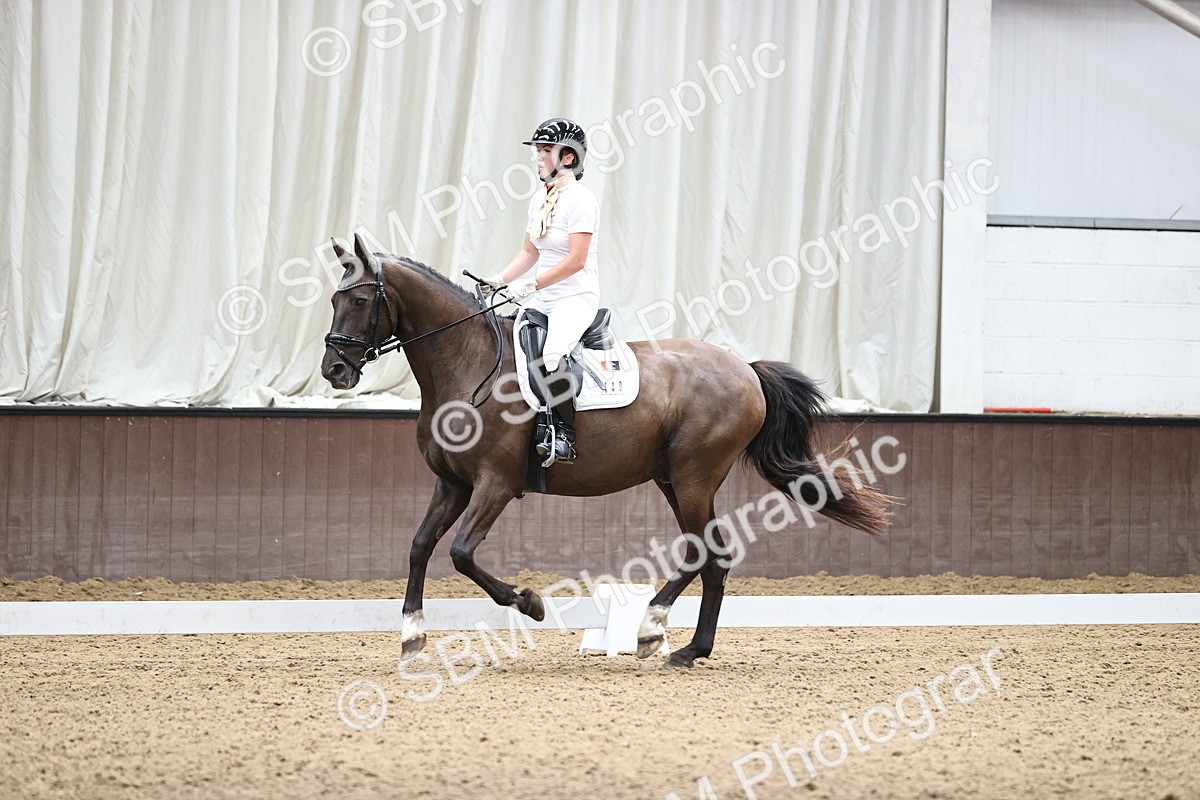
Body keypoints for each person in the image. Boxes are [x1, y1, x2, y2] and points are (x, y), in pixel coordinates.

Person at [483, 118, 599, 466]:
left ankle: (562, 433)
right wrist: (500, 279)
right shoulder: (539, 199)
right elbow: (530, 252)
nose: (537, 157)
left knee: (551, 356)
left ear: (568, 157)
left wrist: (532, 284)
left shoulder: (581, 200)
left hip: (575, 297)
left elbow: (577, 261)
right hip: (544, 296)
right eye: (537, 150)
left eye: (545, 151)